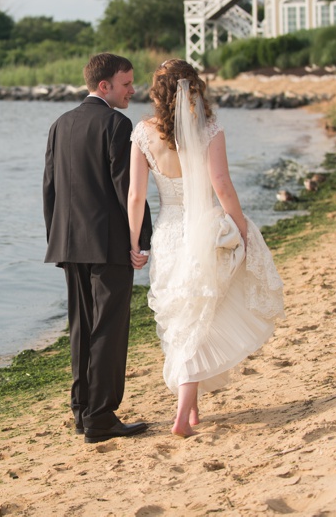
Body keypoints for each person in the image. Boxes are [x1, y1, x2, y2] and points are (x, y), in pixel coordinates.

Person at [127, 59, 285, 437]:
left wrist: (134, 241)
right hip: (206, 229)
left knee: (181, 316)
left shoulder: (142, 134)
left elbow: (135, 196)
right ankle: (185, 410)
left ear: (156, 92)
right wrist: (242, 229)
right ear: (194, 88)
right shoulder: (210, 129)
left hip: (168, 233)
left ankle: (190, 407)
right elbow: (222, 185)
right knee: (202, 315)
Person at [43, 53, 152, 444]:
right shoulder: (116, 125)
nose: (132, 90)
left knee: (81, 329)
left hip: (69, 243)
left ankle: (81, 410)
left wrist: (56, 239)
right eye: (126, 84)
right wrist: (140, 241)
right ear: (103, 85)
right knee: (108, 329)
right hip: (107, 246)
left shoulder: (61, 124)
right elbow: (129, 191)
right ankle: (101, 417)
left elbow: (50, 189)